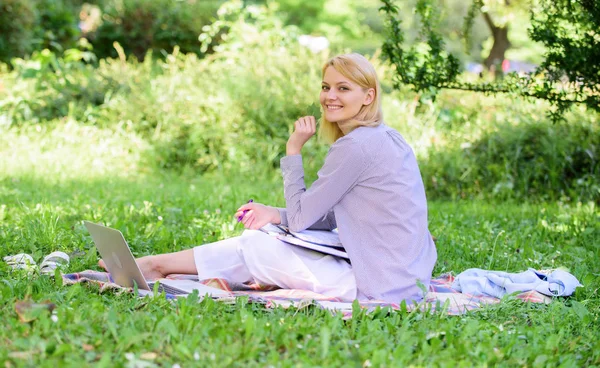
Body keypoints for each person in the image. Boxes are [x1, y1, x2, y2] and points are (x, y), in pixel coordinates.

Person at [99, 53, 437, 303]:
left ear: (369, 96)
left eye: (343, 88)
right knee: (267, 234)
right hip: (404, 276)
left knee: (259, 244)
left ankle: (156, 267)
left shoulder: (357, 147)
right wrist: (275, 214)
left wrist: (293, 151)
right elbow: (337, 215)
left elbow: (304, 221)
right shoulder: (384, 137)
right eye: (326, 87)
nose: (330, 96)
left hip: (378, 284)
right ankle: (159, 267)